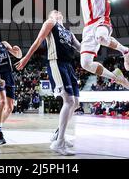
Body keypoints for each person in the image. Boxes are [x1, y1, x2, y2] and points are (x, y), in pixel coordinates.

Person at [16, 10, 81, 155]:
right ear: (51, 16)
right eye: (55, 11)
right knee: (69, 101)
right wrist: (26, 58)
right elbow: (39, 40)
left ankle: (58, 135)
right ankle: (59, 143)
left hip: (69, 65)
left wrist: (94, 43)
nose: (58, 12)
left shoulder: (69, 33)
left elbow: (81, 48)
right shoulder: (51, 23)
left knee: (75, 103)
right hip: (56, 63)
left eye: (59, 11)